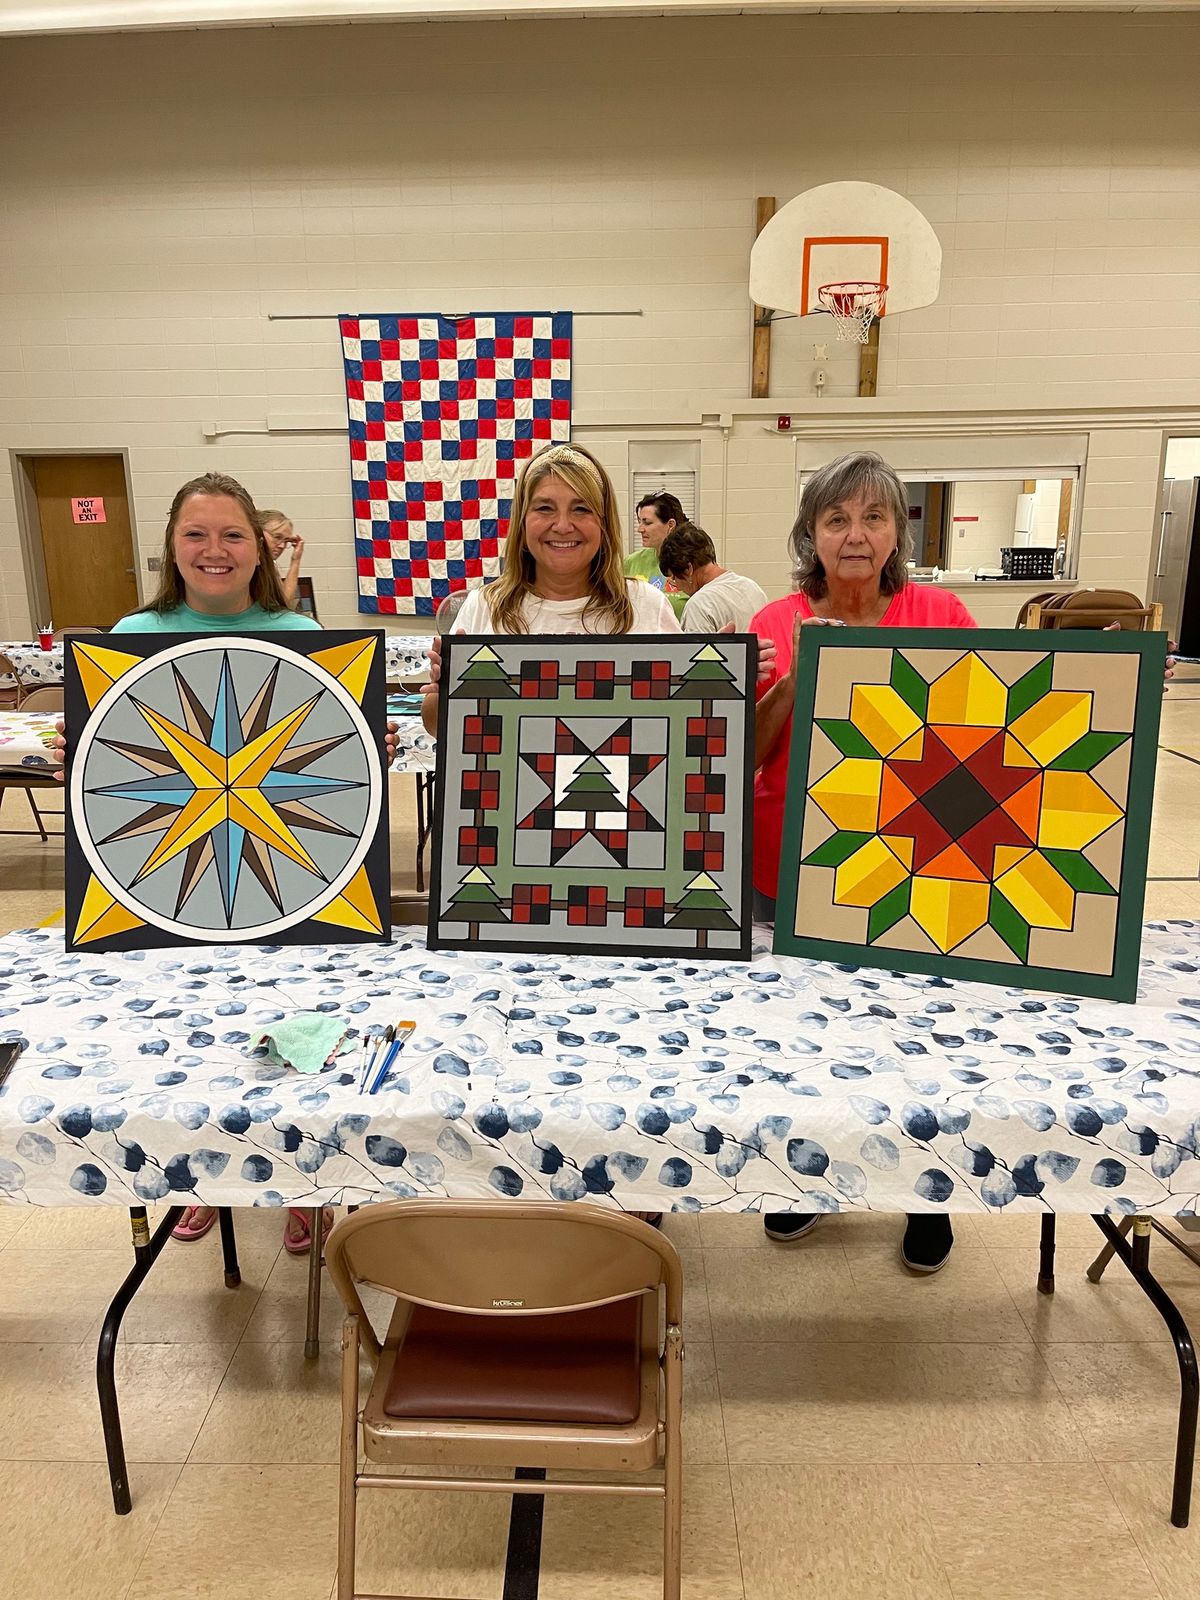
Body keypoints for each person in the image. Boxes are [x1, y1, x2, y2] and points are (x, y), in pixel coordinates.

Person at [54, 471, 394, 1256]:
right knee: (184, 1041)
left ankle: (306, 1181)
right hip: (168, 885)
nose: (215, 551)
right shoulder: (129, 636)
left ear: (260, 546)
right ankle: (197, 1175)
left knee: (299, 1034)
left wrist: (360, 748)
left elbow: (344, 759)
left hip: (295, 880)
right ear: (171, 548)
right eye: (196, 535)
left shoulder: (307, 636)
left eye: (232, 535)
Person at [751, 451, 981, 1274]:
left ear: (897, 533)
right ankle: (807, 1175)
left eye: (873, 518)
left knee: (917, 1040)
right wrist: (785, 686)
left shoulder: (942, 614)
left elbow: (981, 740)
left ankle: (927, 1191)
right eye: (836, 519)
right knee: (801, 1037)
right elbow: (746, 756)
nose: (855, 535)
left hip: (922, 869)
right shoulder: (773, 624)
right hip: (788, 866)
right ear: (810, 534)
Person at [422, 443, 681, 734]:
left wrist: (717, 690)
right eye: (545, 508)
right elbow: (437, 726)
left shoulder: (646, 606)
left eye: (581, 509)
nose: (562, 525)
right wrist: (447, 686)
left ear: (604, 522)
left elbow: (680, 719)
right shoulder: (485, 606)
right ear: (522, 521)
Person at [658, 522, 769, 633]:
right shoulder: (752, 587)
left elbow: (697, 650)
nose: (678, 587)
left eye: (674, 579)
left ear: (688, 570)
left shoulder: (699, 605)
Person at [625, 491, 688, 620]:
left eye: (647, 523)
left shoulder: (692, 563)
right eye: (640, 522)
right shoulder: (631, 562)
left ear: (670, 525)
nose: (640, 529)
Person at [259, 508, 305, 611]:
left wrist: (296, 559)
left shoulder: (270, 564)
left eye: (286, 540)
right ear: (258, 532)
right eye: (277, 537)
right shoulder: (250, 564)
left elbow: (284, 602)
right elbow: (284, 604)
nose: (282, 546)